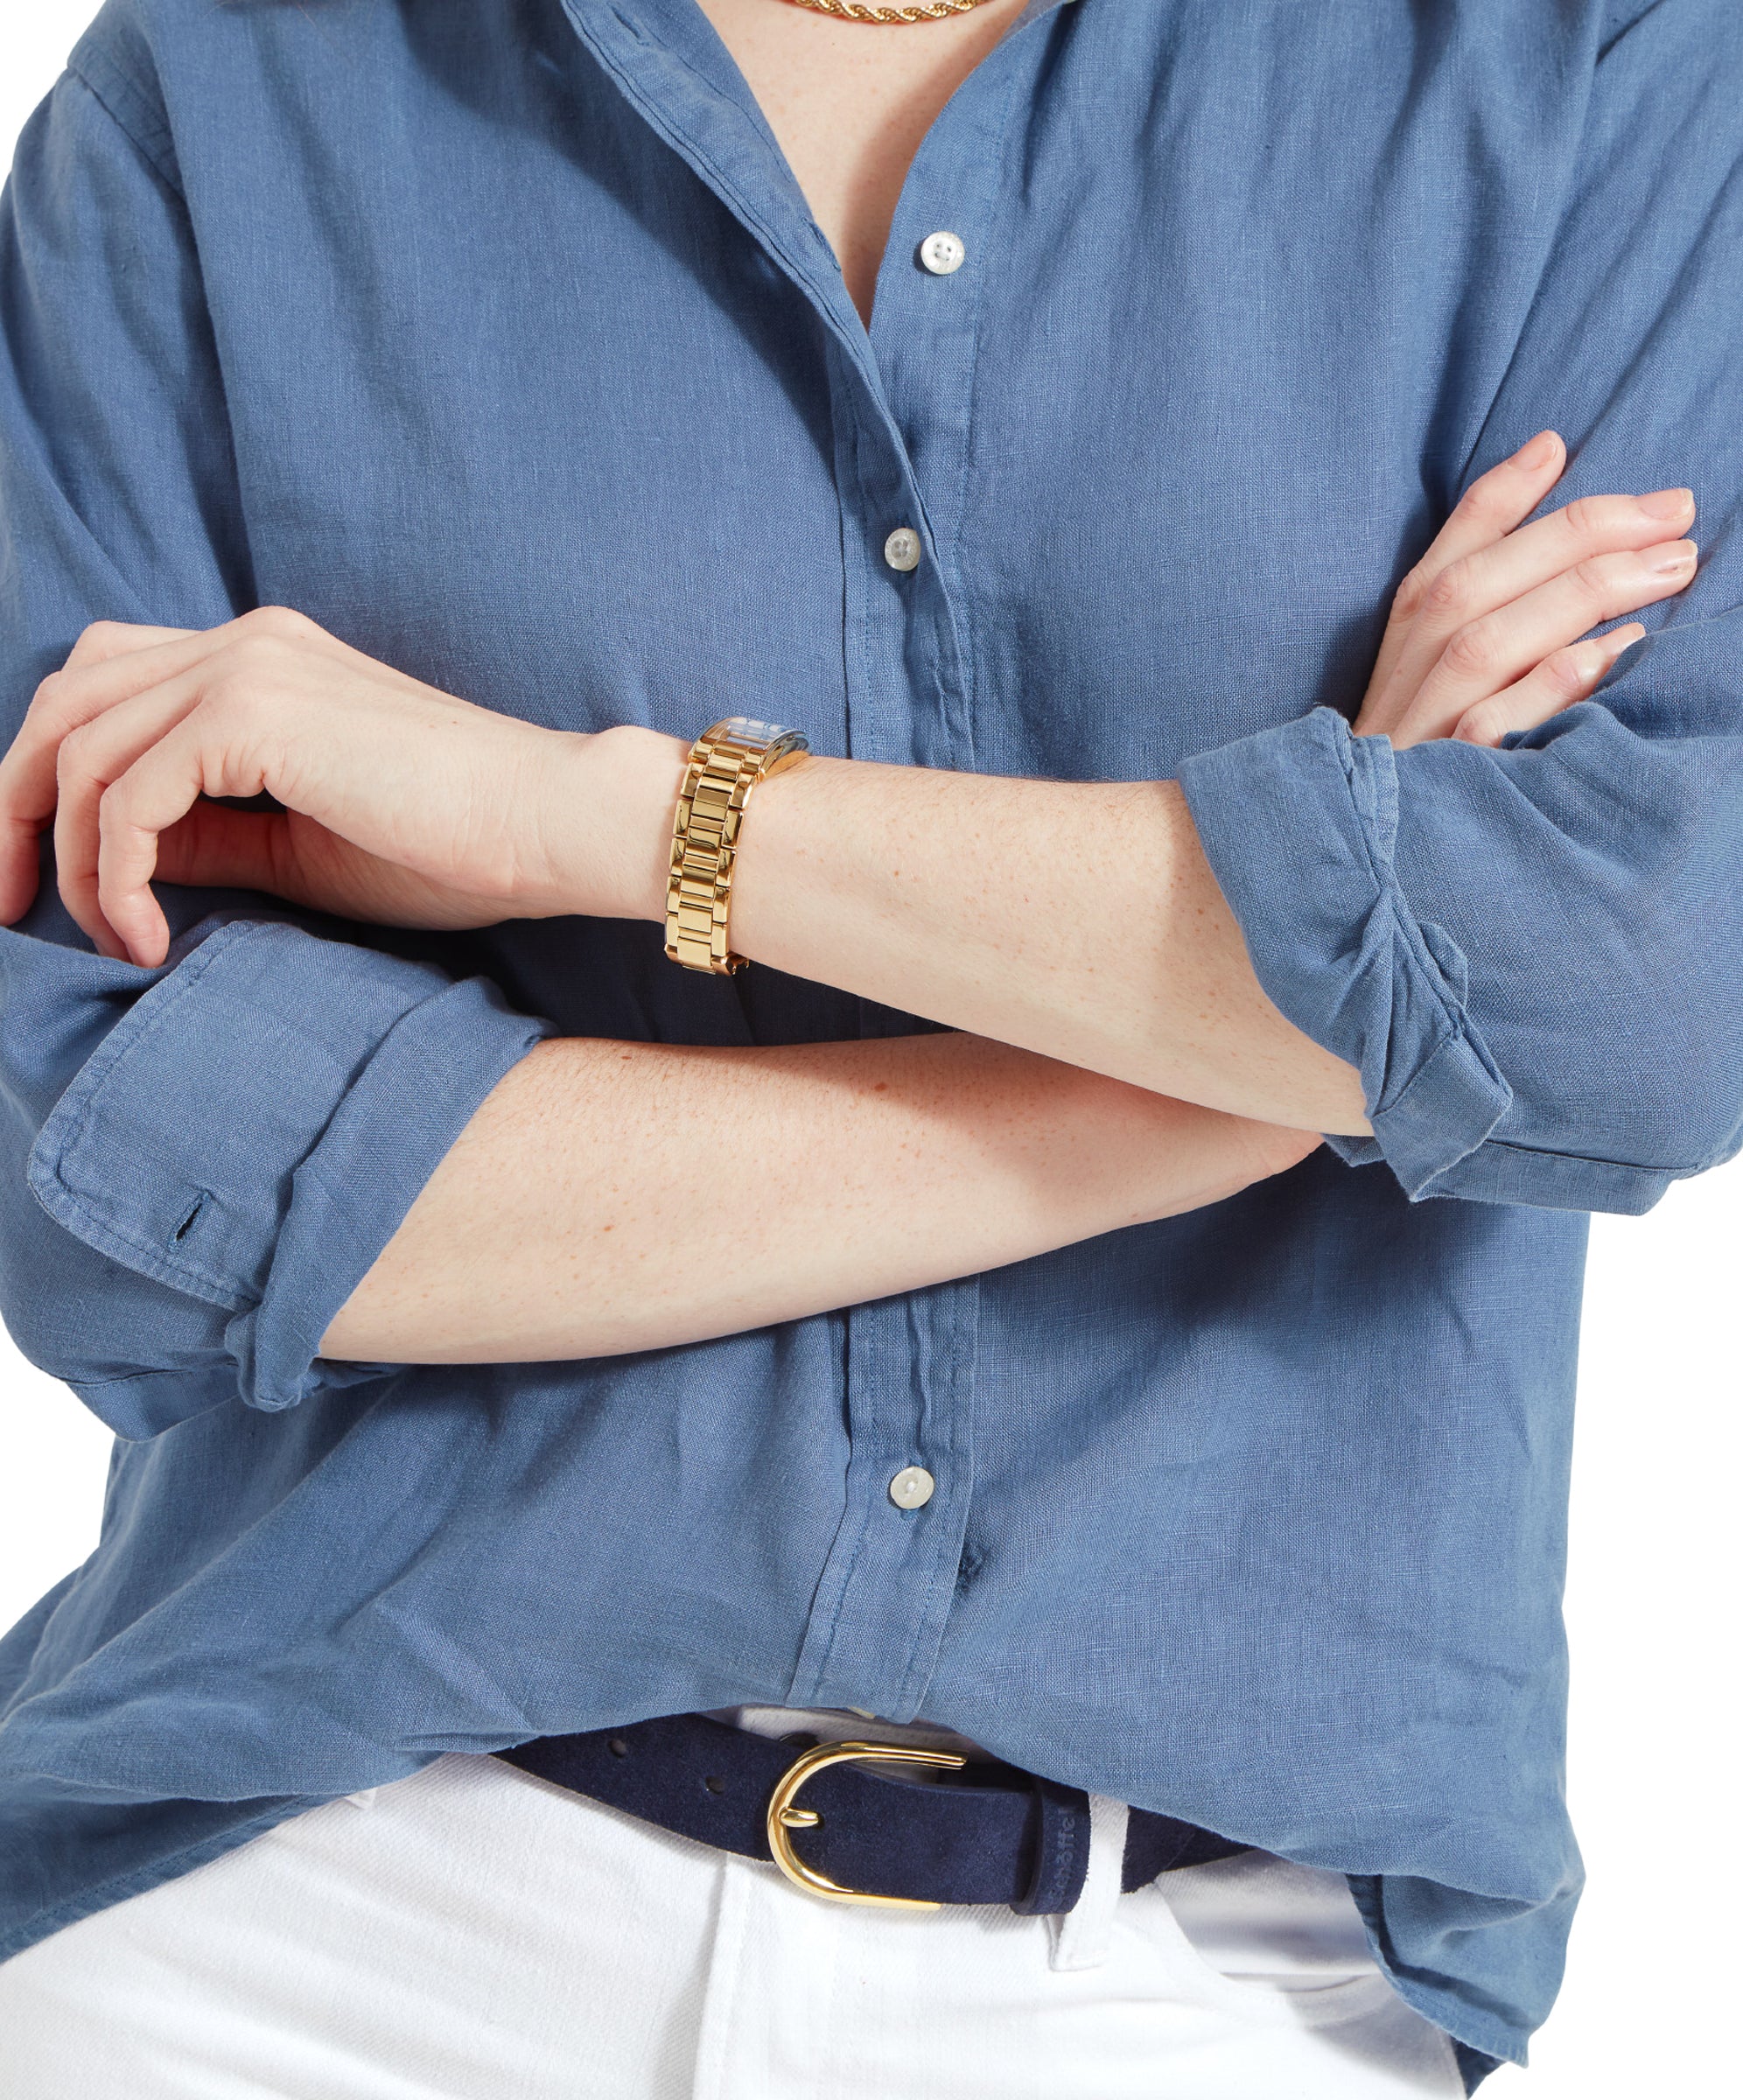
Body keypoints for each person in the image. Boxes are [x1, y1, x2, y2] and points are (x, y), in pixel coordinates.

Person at [0, 0, 1737, 2090]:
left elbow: (1646, 992)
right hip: (300, 1917)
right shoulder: (237, 81)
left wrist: (597, 817)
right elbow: (105, 1163)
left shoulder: (1602, 66)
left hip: (1199, 1971)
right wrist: (1275, 1043)